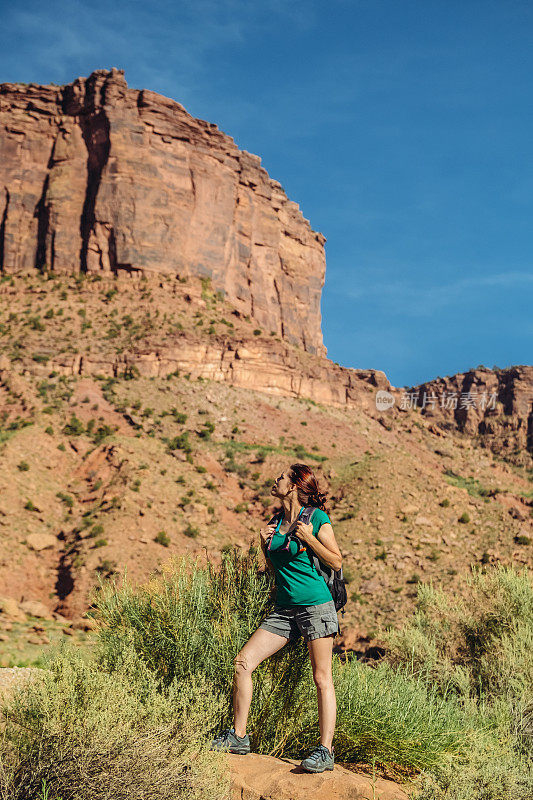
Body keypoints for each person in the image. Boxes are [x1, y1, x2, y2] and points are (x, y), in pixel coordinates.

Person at [211, 463, 343, 773]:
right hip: (284, 610)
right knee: (243, 662)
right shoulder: (274, 522)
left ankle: (325, 751)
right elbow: (275, 570)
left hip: (316, 607)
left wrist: (309, 539)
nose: (275, 479)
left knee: (322, 678)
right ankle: (238, 738)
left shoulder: (317, 519)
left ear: (295, 485)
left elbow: (336, 561)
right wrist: (262, 543)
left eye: (281, 477)